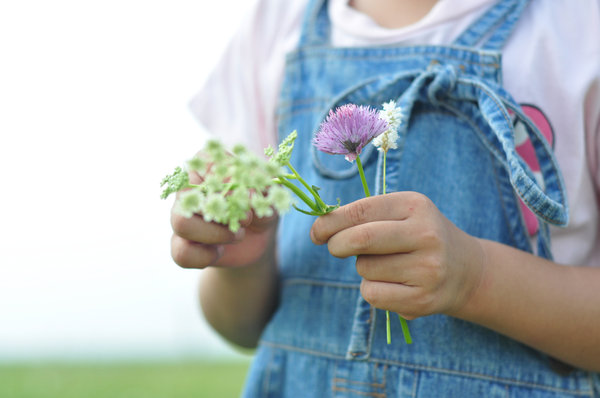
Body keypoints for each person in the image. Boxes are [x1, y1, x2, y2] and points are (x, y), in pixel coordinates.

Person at [171, 0, 600, 396]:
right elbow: (240, 327)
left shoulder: (579, 30)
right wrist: (243, 264)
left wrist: (476, 278)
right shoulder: (275, 23)